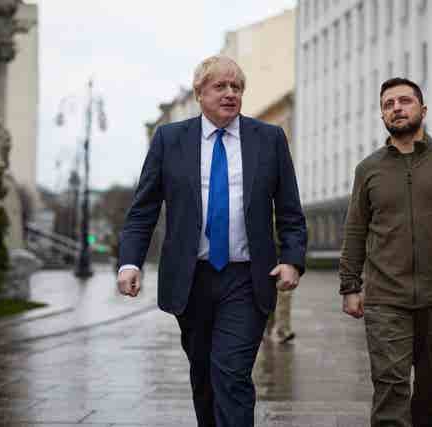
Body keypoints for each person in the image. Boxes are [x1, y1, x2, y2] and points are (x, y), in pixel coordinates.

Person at [116, 55, 307, 427]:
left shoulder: (268, 139)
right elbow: (144, 209)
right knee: (204, 376)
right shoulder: (170, 140)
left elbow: (289, 210)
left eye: (236, 87)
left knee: (231, 373)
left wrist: (293, 259)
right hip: (192, 279)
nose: (230, 93)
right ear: (200, 92)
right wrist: (129, 263)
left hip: (247, 278)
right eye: (221, 86)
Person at [339, 77, 432, 427]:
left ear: (423, 109)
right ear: (382, 116)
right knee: (390, 389)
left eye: (404, 101)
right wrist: (349, 285)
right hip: (386, 300)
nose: (397, 108)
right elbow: (356, 228)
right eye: (388, 104)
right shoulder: (369, 169)